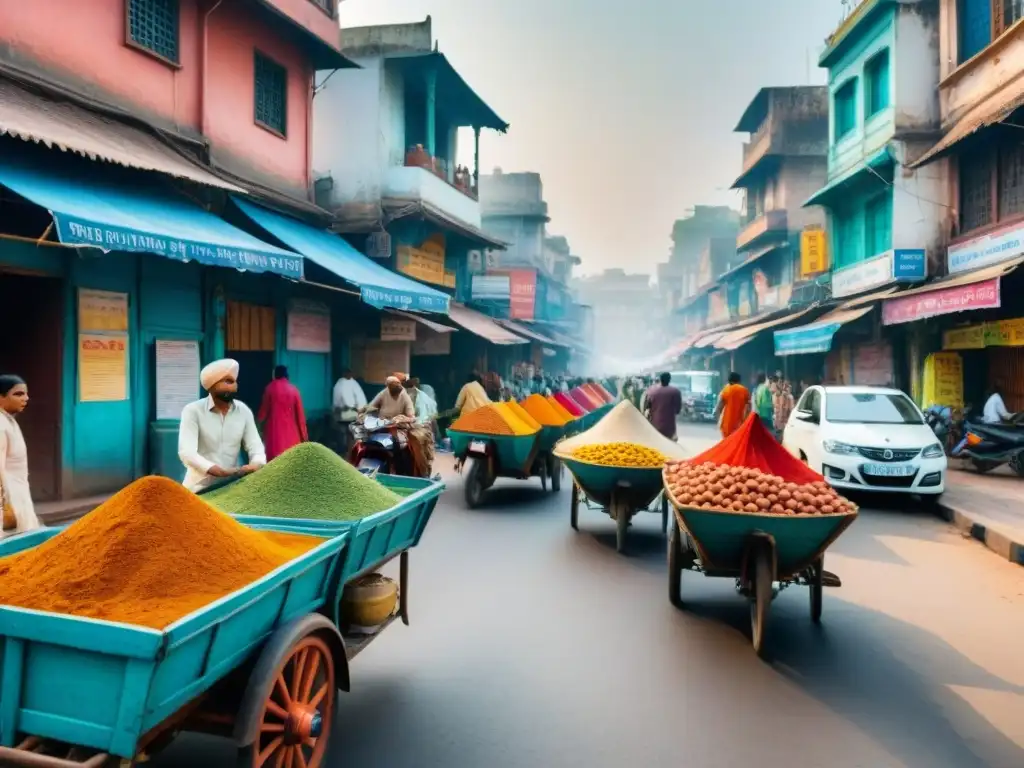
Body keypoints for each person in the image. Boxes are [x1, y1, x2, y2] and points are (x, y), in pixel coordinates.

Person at [178, 358, 266, 492]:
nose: (234, 385)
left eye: (234, 381)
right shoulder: (193, 410)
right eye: (228, 381)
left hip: (231, 486)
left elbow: (255, 446)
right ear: (212, 385)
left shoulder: (243, 411)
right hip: (198, 486)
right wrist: (216, 470)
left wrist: (256, 463)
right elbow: (187, 452)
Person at [0, 375, 41, 538]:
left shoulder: (8, 421)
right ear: (1, 398)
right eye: (18, 394)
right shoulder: (1, 426)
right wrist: (6, 509)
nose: (26, 398)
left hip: (19, 498)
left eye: (25, 394)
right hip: (10, 503)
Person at [258, 366, 308, 461]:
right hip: (292, 438)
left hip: (273, 437)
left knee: (274, 466)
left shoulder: (269, 389)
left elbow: (262, 414)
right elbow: (301, 417)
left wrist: (259, 429)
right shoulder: (294, 390)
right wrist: (304, 437)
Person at [332, 369, 367, 454]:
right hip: (348, 413)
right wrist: (357, 408)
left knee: (344, 433)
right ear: (345, 374)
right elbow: (347, 400)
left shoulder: (340, 384)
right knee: (349, 433)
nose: (351, 374)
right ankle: (348, 450)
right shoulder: (345, 383)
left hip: (342, 413)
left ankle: (345, 449)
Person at [645, 371, 682, 440]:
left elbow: (647, 407)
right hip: (669, 428)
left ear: (660, 379)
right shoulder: (675, 391)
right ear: (669, 379)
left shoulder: (651, 390)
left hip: (654, 425)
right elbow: (678, 410)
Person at [715, 371, 751, 439]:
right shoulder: (744, 390)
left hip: (727, 425)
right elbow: (748, 408)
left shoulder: (726, 390)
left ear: (729, 380)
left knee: (728, 445)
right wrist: (745, 421)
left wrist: (719, 421)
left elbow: (719, 408)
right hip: (739, 424)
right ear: (739, 381)